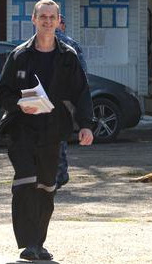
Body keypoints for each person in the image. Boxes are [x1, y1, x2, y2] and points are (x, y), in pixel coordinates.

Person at [0, 0, 94, 261]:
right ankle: (28, 244)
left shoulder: (68, 57)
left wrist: (86, 125)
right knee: (26, 182)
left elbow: (81, 93)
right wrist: (18, 103)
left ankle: (38, 242)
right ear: (34, 20)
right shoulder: (19, 55)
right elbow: (1, 94)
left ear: (59, 21)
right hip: (22, 130)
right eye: (43, 17)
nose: (47, 21)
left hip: (53, 131)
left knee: (47, 187)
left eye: (52, 17)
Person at [55, 14, 88, 189]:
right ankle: (60, 173)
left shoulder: (36, 42)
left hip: (47, 97)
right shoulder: (72, 44)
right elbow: (82, 75)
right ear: (64, 25)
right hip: (66, 99)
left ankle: (58, 174)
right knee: (60, 136)